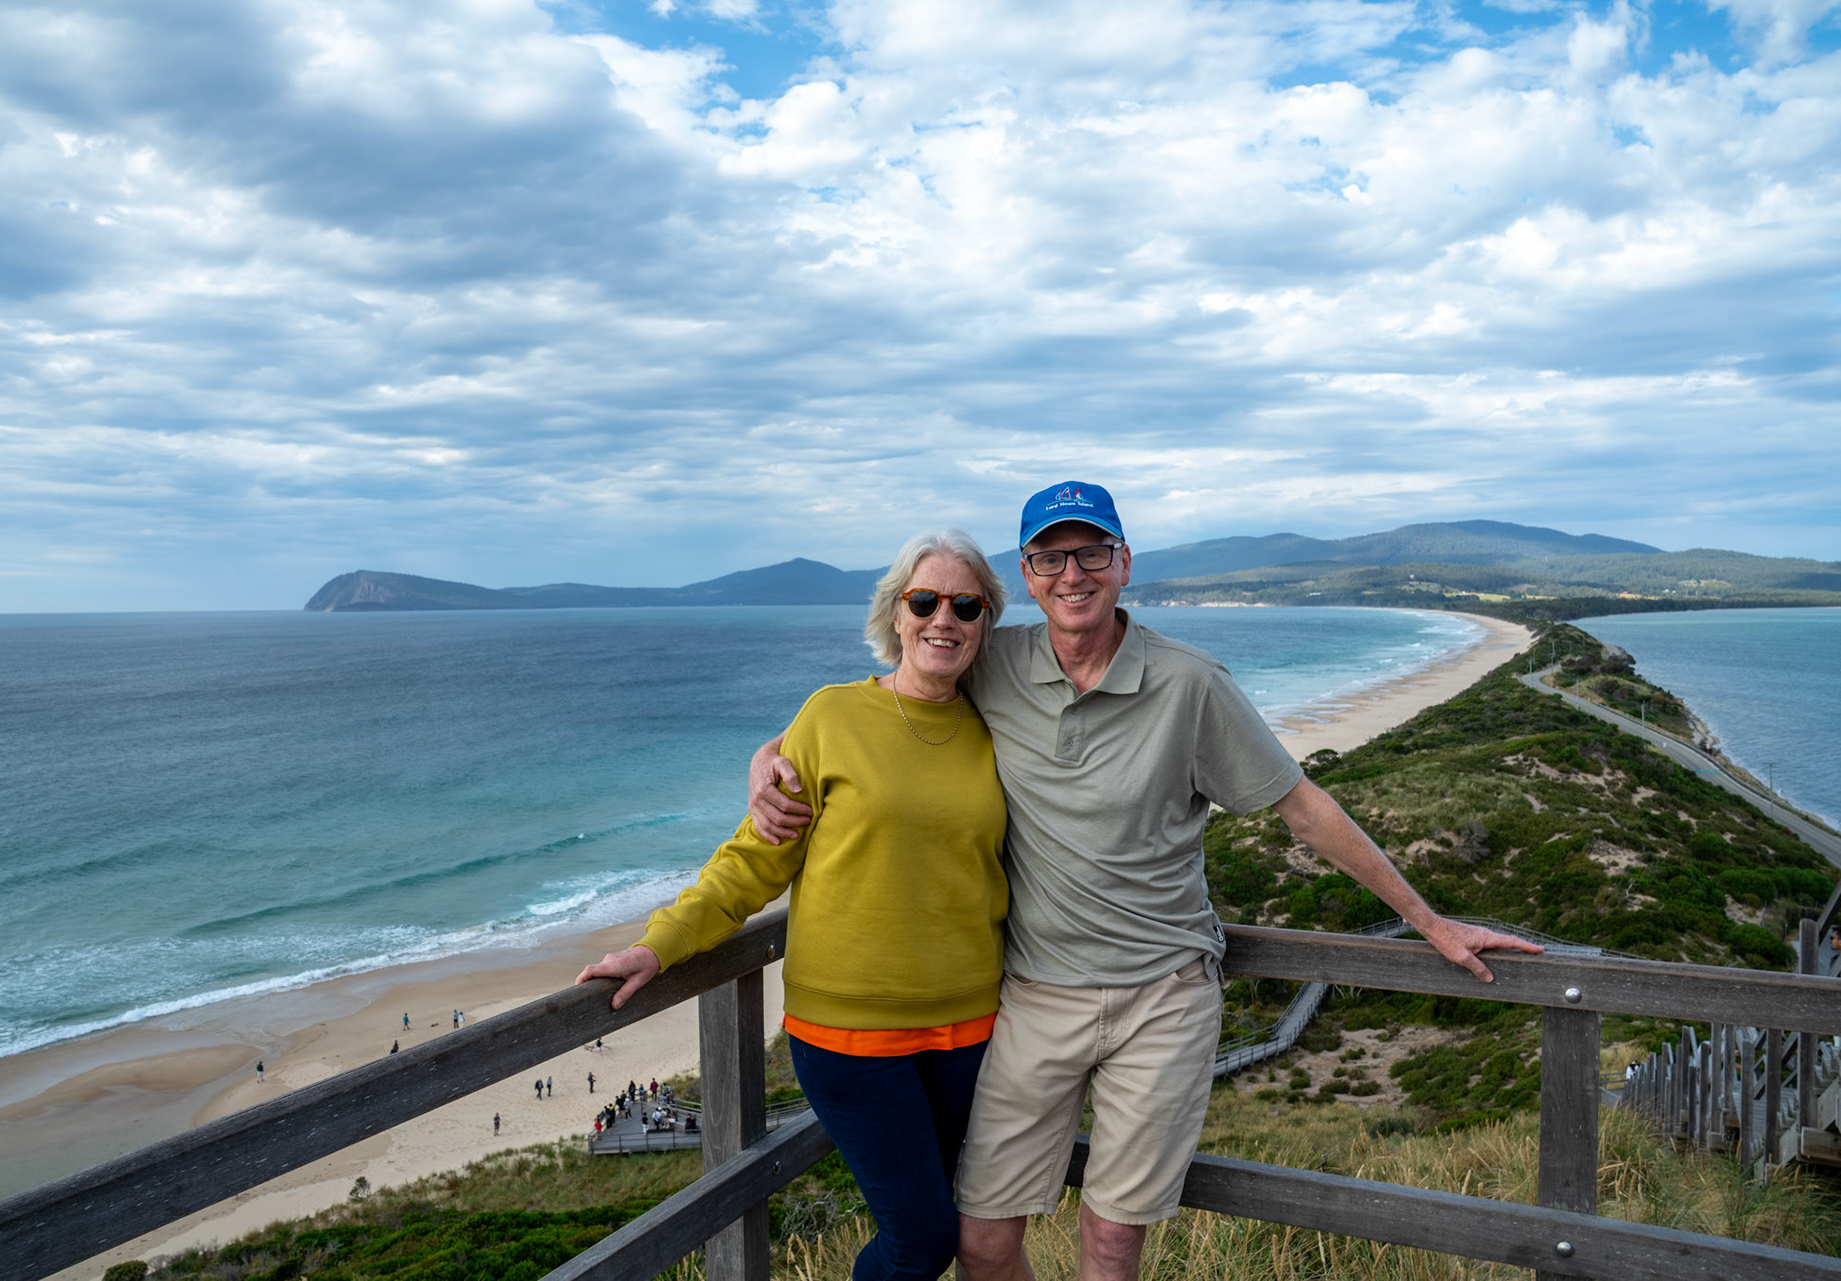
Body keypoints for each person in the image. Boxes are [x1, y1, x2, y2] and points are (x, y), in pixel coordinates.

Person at [749, 482, 1542, 1281]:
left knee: (1111, 1239)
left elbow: (1302, 808)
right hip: (1034, 995)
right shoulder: (996, 659)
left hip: (1162, 996)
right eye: (1050, 557)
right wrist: (772, 753)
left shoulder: (1190, 683)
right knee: (982, 1240)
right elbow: (888, 700)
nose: (1072, 574)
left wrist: (1429, 920)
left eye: (1092, 552)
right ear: (1025, 575)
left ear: (1124, 563)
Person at [578, 529, 1013, 1281]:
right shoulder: (829, 717)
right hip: (850, 1037)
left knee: (939, 1217)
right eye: (925, 599)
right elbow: (754, 860)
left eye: (966, 604)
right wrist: (660, 943)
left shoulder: (1001, 728)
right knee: (923, 1240)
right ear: (896, 614)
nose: (945, 617)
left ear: (984, 622)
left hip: (971, 1031)